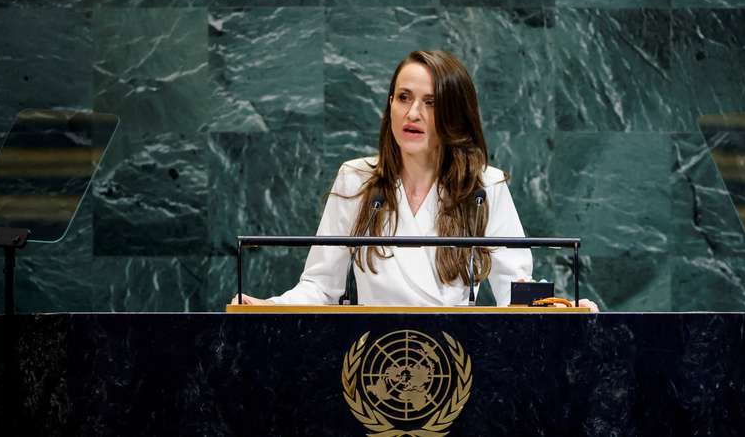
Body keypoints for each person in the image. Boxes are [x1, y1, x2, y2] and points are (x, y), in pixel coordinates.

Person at [232, 50, 598, 311]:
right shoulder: (355, 179)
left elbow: (515, 292)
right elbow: (319, 287)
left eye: (431, 102)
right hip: (371, 362)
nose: (413, 113)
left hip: (453, 363)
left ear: (454, 114)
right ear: (389, 103)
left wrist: (563, 309)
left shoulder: (485, 186)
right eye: (403, 98)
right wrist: (267, 306)